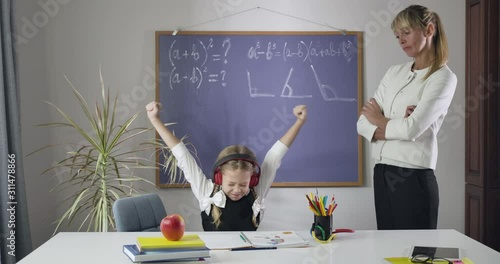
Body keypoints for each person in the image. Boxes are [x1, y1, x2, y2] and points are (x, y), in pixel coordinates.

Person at [357, 5, 457, 230]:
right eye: (397, 35)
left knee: (416, 255)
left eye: (406, 32)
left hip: (413, 176)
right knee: (388, 251)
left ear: (429, 30)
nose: (401, 40)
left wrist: (381, 120)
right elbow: (362, 123)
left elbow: (411, 129)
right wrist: (397, 125)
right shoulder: (394, 72)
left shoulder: (443, 77)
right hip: (381, 172)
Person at [146, 101, 307, 231]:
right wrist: (155, 120)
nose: (237, 190)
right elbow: (182, 155)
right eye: (231, 184)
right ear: (219, 177)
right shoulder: (206, 191)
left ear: (252, 181)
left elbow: (274, 157)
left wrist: (299, 122)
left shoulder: (257, 191)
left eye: (243, 184)